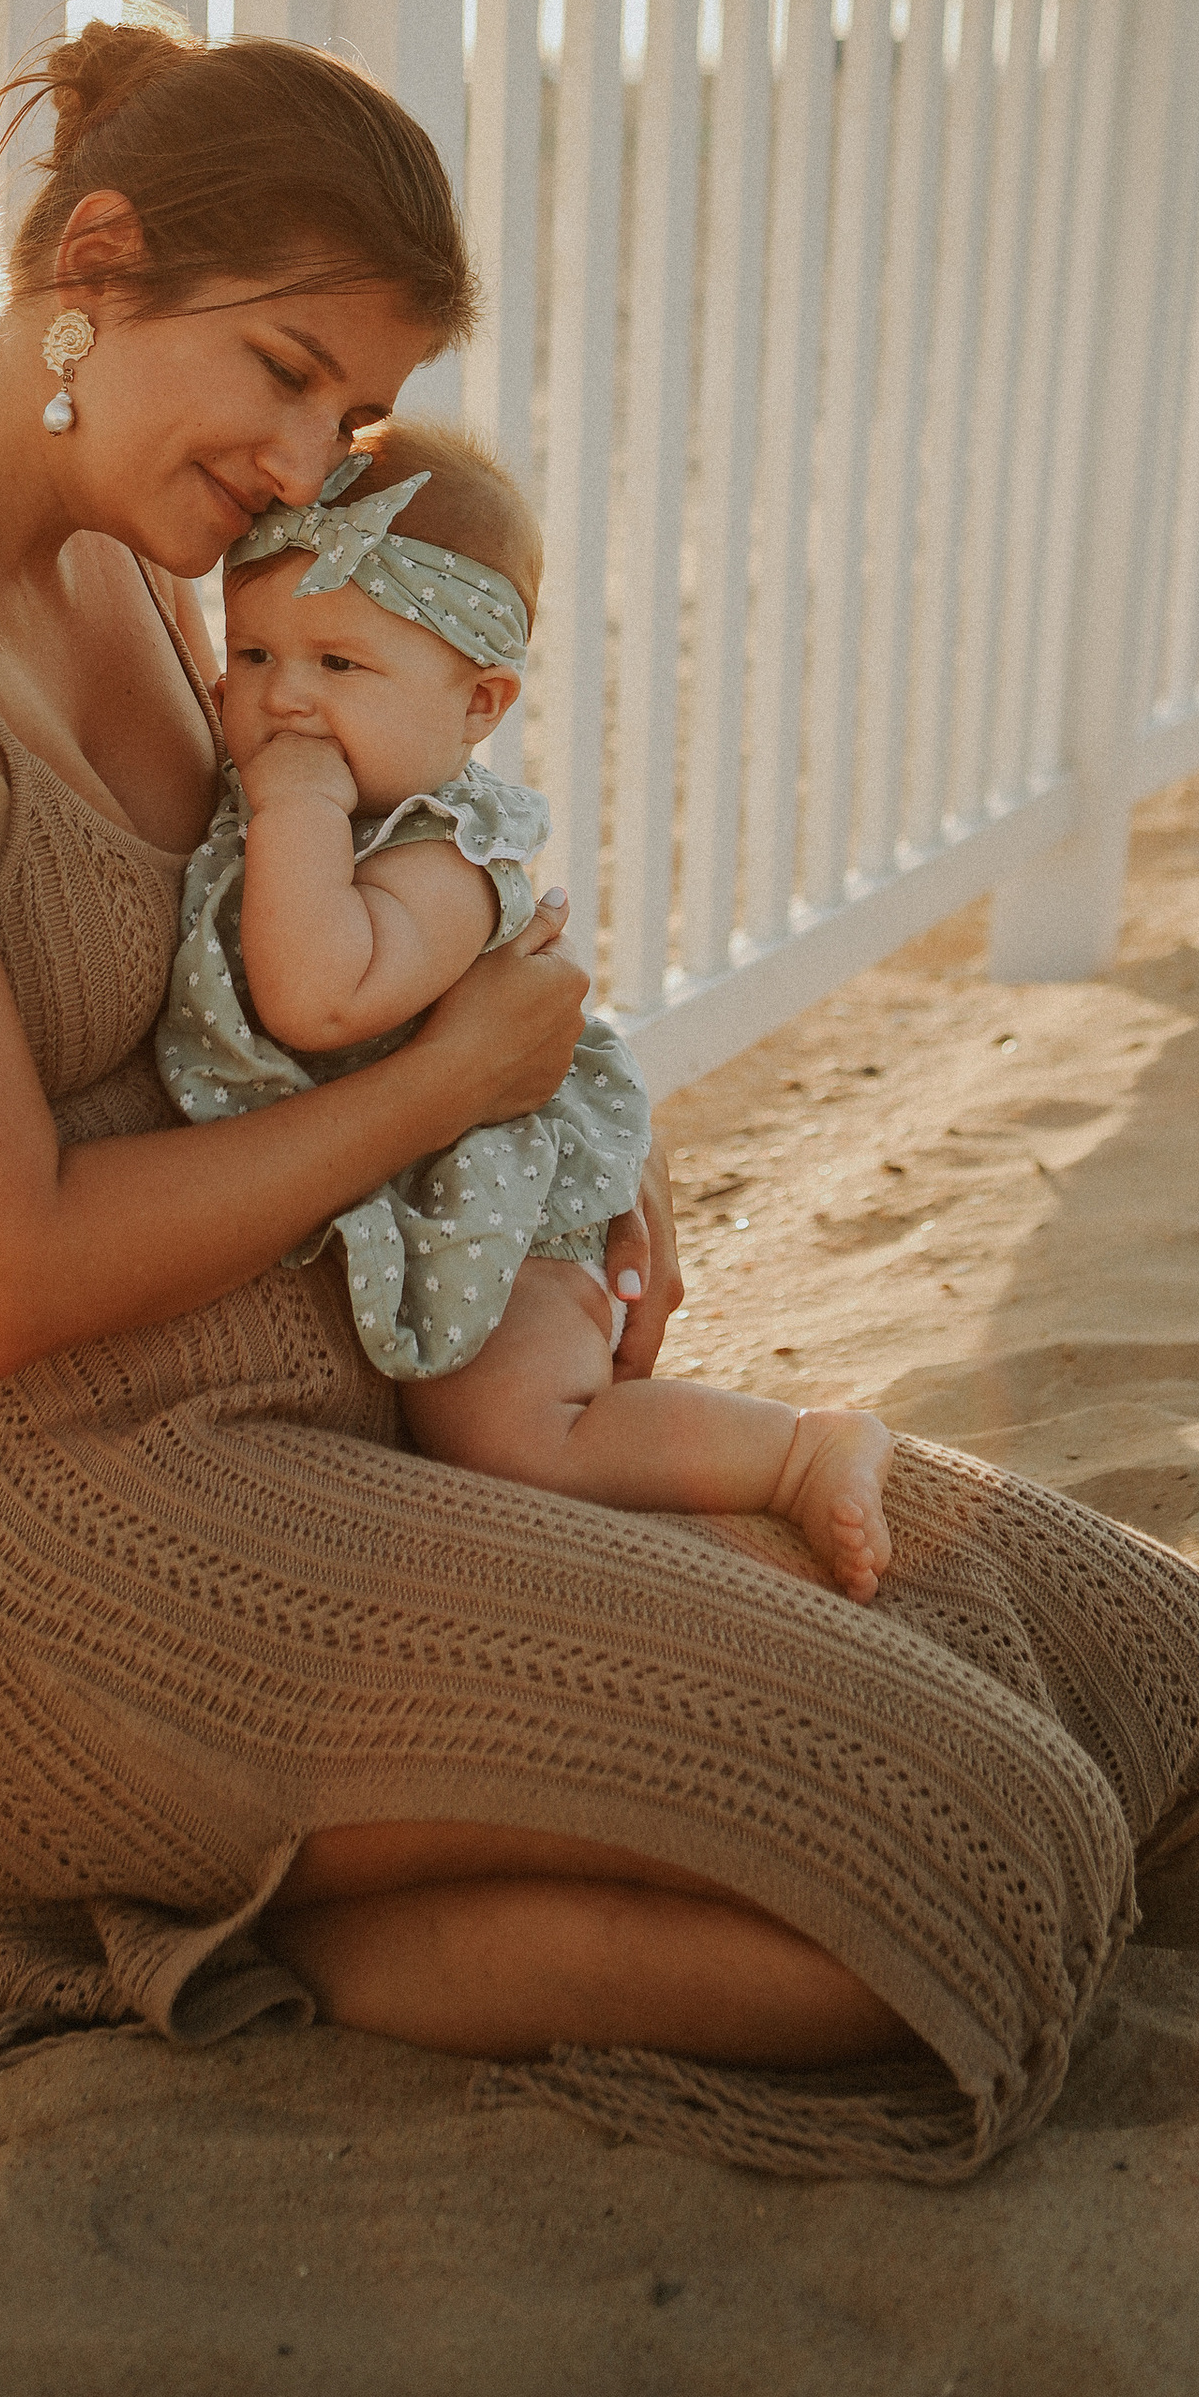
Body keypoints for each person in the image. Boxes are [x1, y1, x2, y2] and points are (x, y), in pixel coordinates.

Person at [0, 17, 1199, 2178]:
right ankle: (190, 1934)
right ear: (92, 266)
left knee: (1151, 1674)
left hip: (368, 1428)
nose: (311, 462)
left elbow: (355, 930)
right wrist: (441, 1092)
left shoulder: (147, 563)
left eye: (355, 410)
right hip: (70, 1559)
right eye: (287, 368)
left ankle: (409, 1828)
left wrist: (560, 1127)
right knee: (989, 1857)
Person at [158, 421, 898, 1600]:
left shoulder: (440, 855)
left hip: (497, 1210)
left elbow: (316, 997)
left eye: (338, 664)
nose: (282, 698)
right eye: (252, 653)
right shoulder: (309, 805)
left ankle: (797, 1449)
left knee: (515, 1430)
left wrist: (294, 808)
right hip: (401, 1177)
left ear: (477, 705)